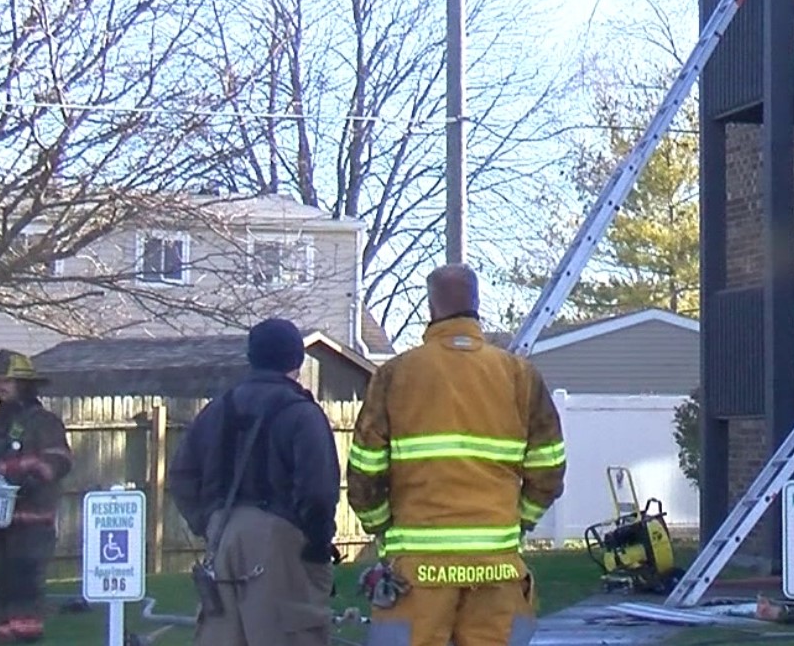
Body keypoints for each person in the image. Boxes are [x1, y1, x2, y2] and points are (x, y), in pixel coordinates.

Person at [347, 264, 567, 646]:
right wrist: (519, 522)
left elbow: (365, 470)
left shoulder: (397, 374)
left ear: (431, 308)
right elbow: (548, 469)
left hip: (417, 572)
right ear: (477, 305)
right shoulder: (519, 375)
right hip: (496, 570)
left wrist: (382, 527)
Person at [171, 317, 342, 645]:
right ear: (297, 360)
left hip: (222, 534)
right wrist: (317, 546)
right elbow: (318, 493)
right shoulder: (303, 414)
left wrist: (208, 522)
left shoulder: (217, 409)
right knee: (290, 633)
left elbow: (182, 476)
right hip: (283, 540)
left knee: (221, 636)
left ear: (251, 357)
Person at [0, 350, 73, 644]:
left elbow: (59, 460)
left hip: (33, 520)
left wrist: (23, 471)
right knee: (1, 580)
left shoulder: (44, 422)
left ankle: (25, 637)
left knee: (25, 581)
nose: (2, 385)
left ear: (25, 384)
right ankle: (6, 636)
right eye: (0, 380)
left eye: (9, 380)